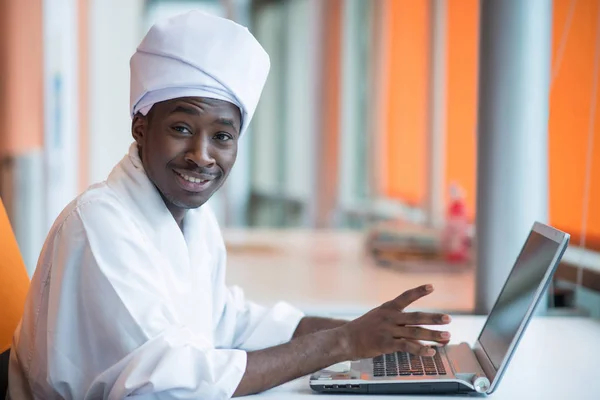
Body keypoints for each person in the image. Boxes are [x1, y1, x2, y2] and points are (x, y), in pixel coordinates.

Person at [8, 10, 451, 400]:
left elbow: (228, 323)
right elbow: (167, 384)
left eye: (222, 136)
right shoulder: (100, 223)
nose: (202, 154)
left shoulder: (192, 221)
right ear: (140, 128)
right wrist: (343, 344)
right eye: (181, 127)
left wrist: (368, 330)